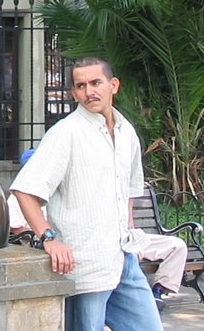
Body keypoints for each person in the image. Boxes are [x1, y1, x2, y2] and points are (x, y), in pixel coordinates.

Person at [10, 57, 163, 331]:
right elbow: (25, 190)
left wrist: (127, 229)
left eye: (96, 83)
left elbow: (129, 190)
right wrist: (49, 238)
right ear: (73, 93)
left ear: (113, 85)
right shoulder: (65, 134)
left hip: (123, 259)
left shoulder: (126, 132)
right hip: (84, 265)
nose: (89, 91)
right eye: (80, 86)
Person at [9, 147, 184, 311]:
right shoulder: (20, 196)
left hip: (118, 237)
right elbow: (19, 231)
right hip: (61, 247)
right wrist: (50, 238)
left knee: (176, 246)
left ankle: (157, 292)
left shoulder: (68, 190)